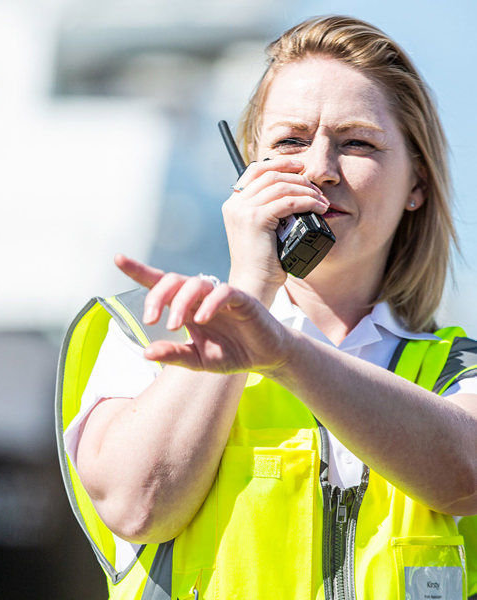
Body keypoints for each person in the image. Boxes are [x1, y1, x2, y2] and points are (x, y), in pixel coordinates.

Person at [56, 15, 477, 600]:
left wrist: (284, 354)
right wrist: (250, 285)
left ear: (417, 184)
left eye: (357, 142)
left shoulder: (461, 371)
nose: (319, 169)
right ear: (247, 170)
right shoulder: (153, 324)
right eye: (290, 141)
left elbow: (466, 474)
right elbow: (136, 504)